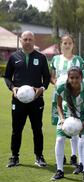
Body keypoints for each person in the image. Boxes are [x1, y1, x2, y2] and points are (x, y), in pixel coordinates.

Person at [4, 31, 51, 168]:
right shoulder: (13, 57)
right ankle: (14, 157)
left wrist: (41, 89)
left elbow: (47, 78)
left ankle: (39, 156)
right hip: (18, 101)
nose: (28, 41)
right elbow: (7, 77)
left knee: (37, 129)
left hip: (36, 100)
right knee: (16, 129)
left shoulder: (41, 58)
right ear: (21, 41)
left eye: (30, 39)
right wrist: (12, 88)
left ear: (34, 40)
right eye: (25, 39)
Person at [51, 66, 84, 181]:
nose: (74, 80)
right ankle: (59, 170)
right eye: (72, 78)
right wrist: (62, 119)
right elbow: (59, 105)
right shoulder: (61, 88)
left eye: (77, 78)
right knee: (60, 139)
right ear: (68, 78)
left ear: (81, 77)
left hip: (83, 116)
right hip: (66, 116)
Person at [50, 34, 84, 167]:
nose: (67, 45)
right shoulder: (55, 59)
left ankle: (74, 155)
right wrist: (58, 83)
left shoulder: (78, 60)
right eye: (65, 43)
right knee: (62, 124)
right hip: (59, 96)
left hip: (75, 97)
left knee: (74, 123)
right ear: (61, 44)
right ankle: (62, 155)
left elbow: (82, 77)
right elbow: (52, 77)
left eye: (69, 43)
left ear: (73, 45)